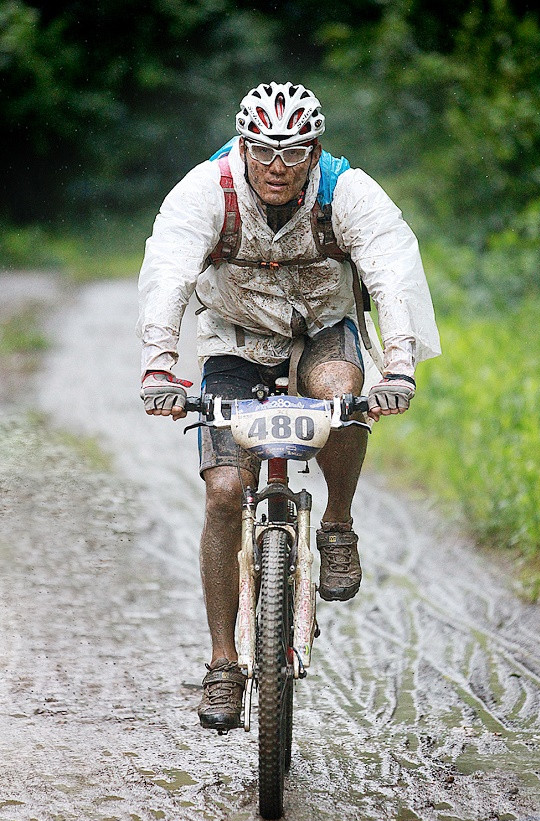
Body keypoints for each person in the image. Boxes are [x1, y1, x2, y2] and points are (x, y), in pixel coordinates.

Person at [138, 82, 441, 732]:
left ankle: (337, 525)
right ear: (243, 147)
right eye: (264, 151)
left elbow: (391, 271)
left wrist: (399, 367)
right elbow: (168, 270)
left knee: (343, 399)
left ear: (315, 152)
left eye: (294, 152)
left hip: (322, 329)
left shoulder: (346, 193)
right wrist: (159, 365)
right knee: (225, 493)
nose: (277, 166)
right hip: (236, 341)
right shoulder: (206, 192)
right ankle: (224, 665)